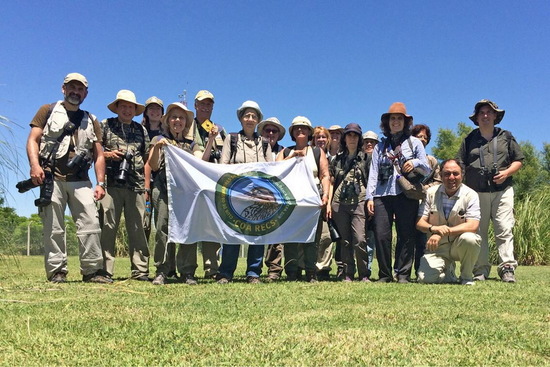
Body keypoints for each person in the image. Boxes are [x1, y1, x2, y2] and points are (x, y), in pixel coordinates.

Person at [25, 72, 111, 284]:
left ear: (86, 93)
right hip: (51, 176)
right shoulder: (47, 110)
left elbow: (99, 154)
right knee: (53, 226)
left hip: (81, 179)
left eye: (80, 89)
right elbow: (33, 140)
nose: (75, 92)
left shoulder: (91, 120)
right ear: (63, 89)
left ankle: (92, 270)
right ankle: (57, 271)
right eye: (72, 87)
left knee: (91, 223)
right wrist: (35, 166)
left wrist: (100, 183)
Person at [457, 99, 524, 283]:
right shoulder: (469, 139)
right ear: (476, 118)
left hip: (502, 190)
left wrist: (507, 172)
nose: (485, 116)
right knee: (479, 231)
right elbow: (460, 164)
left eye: (489, 112)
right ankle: (480, 270)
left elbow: (518, 160)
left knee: (504, 228)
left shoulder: (506, 136)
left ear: (495, 116)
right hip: (476, 192)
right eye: (482, 113)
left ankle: (507, 268)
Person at [147, 102, 212, 285]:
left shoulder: (191, 145)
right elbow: (152, 165)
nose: (178, 121)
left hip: (185, 194)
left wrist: (211, 141)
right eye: (174, 117)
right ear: (168, 121)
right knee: (162, 229)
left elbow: (202, 161)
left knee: (187, 230)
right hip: (163, 189)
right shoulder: (158, 140)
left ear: (186, 122)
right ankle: (162, 270)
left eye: (181, 118)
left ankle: (187, 271)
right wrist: (158, 147)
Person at [366, 102, 430, 283]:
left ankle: (403, 274)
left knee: (406, 234)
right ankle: (385, 274)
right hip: (382, 194)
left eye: (399, 118)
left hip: (405, 193)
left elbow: (426, 168)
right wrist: (370, 197)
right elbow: (373, 173)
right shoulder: (380, 146)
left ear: (405, 122)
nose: (396, 122)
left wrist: (415, 163)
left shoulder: (414, 142)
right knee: (381, 235)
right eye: (392, 118)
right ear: (387, 122)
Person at [217, 100, 272, 284]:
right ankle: (225, 273)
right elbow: (223, 167)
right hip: (235, 194)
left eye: (253, 116)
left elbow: (271, 171)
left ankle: (253, 273)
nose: (250, 119)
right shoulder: (231, 139)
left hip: (258, 196)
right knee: (232, 233)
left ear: (258, 121)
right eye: (247, 115)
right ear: (241, 119)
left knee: (257, 233)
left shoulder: (264, 143)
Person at [99, 90, 151, 281]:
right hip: (110, 184)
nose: (127, 110)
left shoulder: (141, 130)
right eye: (124, 106)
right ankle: (104, 270)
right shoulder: (106, 125)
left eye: (131, 107)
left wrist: (146, 188)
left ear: (135, 110)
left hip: (135, 185)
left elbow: (146, 161)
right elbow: (94, 152)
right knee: (107, 226)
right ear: (118, 108)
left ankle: (140, 270)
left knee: (138, 228)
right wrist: (108, 155)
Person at [277, 117, 330, 282]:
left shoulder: (316, 152)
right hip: (292, 201)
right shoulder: (285, 151)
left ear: (309, 133)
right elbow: (275, 171)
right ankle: (292, 272)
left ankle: (310, 272)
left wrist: (326, 195)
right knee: (291, 237)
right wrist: (292, 157)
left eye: (304, 128)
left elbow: (325, 175)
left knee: (312, 239)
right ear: (292, 132)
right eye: (297, 128)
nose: (300, 131)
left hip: (312, 201)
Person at [416, 159, 481, 285]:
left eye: (455, 174)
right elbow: (420, 223)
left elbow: (473, 225)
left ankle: (466, 277)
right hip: (437, 247)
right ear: (440, 176)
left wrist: (442, 232)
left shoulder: (471, 195)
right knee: (425, 279)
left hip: (459, 244)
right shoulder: (430, 193)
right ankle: (449, 272)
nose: (451, 177)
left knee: (471, 239)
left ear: (462, 175)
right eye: (447, 174)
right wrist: (433, 229)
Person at [328, 123, 371, 282]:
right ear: (344, 138)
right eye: (349, 135)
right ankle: (348, 273)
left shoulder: (367, 158)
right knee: (345, 241)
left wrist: (370, 199)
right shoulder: (337, 160)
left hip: (359, 201)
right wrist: (329, 204)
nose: (352, 138)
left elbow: (371, 181)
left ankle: (364, 273)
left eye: (355, 135)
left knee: (360, 239)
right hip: (339, 203)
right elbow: (331, 182)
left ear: (359, 138)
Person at [192, 90, 225, 279]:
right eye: (202, 104)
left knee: (212, 225)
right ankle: (183, 267)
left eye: (209, 104)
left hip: (213, 183)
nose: (206, 107)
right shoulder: (188, 126)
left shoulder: (219, 129)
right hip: (192, 182)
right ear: (196, 105)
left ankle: (211, 268)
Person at [411, 124, 442, 275]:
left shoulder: (432, 161)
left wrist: (424, 189)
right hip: (407, 203)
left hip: (425, 205)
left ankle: (420, 270)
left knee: (422, 239)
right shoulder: (406, 160)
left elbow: (439, 181)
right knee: (406, 238)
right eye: (419, 137)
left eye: (425, 137)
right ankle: (402, 272)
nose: (422, 140)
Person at [258, 117, 286, 281]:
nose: (270, 133)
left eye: (274, 131)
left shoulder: (285, 152)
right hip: (257, 196)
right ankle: (253, 270)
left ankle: (274, 270)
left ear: (278, 134)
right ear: (261, 132)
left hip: (277, 200)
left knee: (276, 238)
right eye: (267, 130)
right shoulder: (256, 148)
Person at [312, 126, 335, 280]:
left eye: (323, 137)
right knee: (309, 235)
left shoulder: (334, 158)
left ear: (328, 140)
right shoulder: (310, 154)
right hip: (311, 200)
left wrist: (328, 203)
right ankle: (307, 266)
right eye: (317, 137)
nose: (321, 140)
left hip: (327, 199)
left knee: (326, 237)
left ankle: (323, 267)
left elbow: (331, 182)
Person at [142, 96, 164, 256]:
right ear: (146, 111)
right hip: (141, 182)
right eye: (151, 108)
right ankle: (142, 266)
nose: (154, 112)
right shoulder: (139, 130)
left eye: (158, 109)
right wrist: (145, 187)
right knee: (144, 223)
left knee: (163, 222)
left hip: (162, 181)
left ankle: (168, 265)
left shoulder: (167, 133)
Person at [361, 130, 380, 280]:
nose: (369, 144)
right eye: (366, 141)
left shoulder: (382, 161)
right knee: (363, 239)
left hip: (378, 204)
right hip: (360, 205)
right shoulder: (357, 160)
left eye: (372, 142)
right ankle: (363, 270)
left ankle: (378, 271)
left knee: (375, 239)